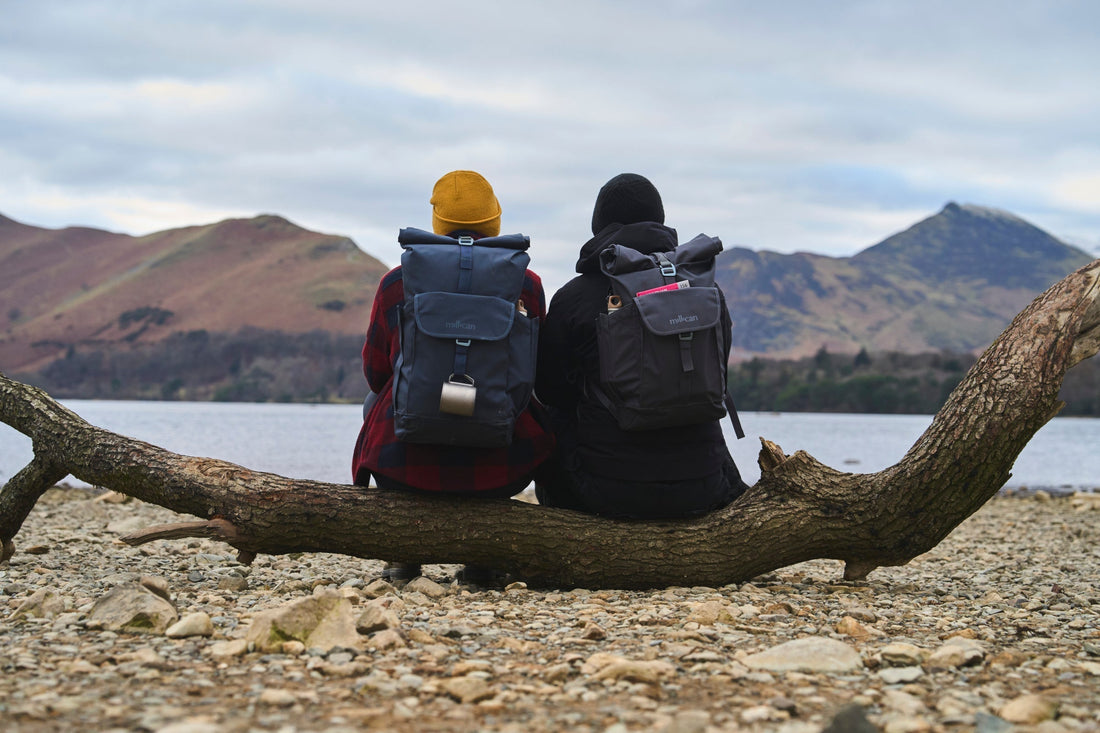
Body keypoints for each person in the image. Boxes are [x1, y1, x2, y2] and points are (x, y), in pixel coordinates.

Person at [352, 170, 554, 583]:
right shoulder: (526, 285)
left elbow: (375, 373)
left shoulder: (397, 281)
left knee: (376, 401)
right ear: (494, 219)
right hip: (499, 465)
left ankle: (402, 553)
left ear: (438, 223)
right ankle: (486, 558)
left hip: (405, 463)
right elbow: (538, 378)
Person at [535, 173, 749, 518]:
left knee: (554, 411)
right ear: (660, 221)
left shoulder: (575, 296)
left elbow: (549, 389)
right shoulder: (706, 293)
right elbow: (719, 375)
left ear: (598, 226)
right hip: (704, 485)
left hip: (605, 492)